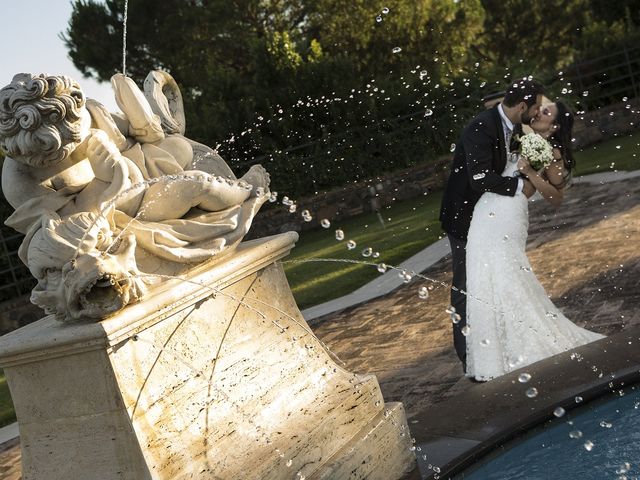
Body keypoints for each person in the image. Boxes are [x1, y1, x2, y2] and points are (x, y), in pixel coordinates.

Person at [464, 100, 605, 381]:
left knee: (506, 273)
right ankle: (493, 353)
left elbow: (556, 197)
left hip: (510, 211)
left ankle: (524, 342)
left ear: (554, 126)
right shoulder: (519, 131)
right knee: (482, 274)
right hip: (486, 209)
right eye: (541, 107)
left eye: (547, 112)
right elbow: (497, 107)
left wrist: (529, 172)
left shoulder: (552, 152)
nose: (540, 111)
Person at [439, 78, 544, 374]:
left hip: (487, 219)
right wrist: (518, 186)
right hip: (464, 219)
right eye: (534, 107)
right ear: (522, 106)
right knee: (466, 286)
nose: (537, 113)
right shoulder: (481, 127)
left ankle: (498, 344)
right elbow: (480, 178)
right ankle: (468, 357)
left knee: (493, 281)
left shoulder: (512, 128)